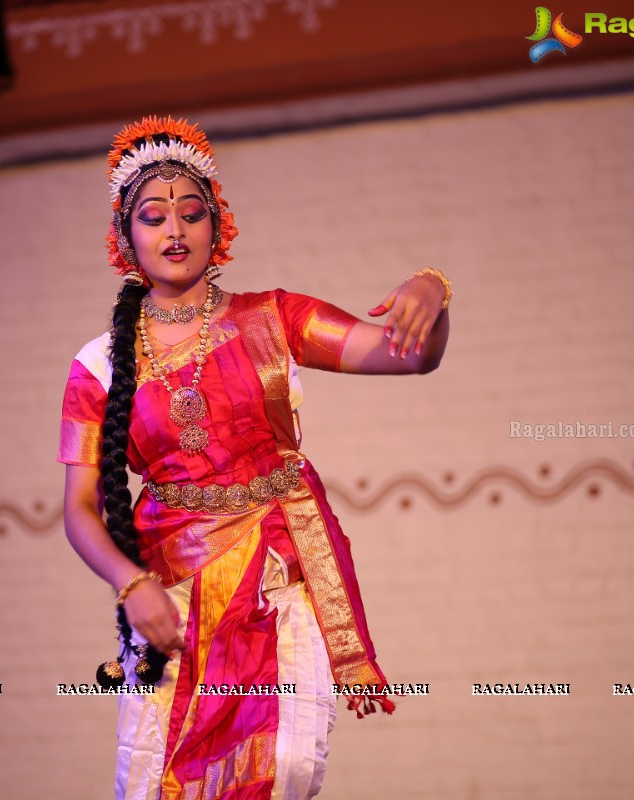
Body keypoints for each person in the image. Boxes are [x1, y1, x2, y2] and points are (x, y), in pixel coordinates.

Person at [58, 115, 451, 800]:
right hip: (172, 599)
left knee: (283, 771)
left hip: (279, 582)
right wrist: (131, 584)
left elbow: (410, 355)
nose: (174, 231)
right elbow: (81, 511)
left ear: (220, 226)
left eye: (192, 213)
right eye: (154, 217)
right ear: (126, 238)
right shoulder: (97, 366)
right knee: (158, 783)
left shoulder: (274, 318)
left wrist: (432, 292)